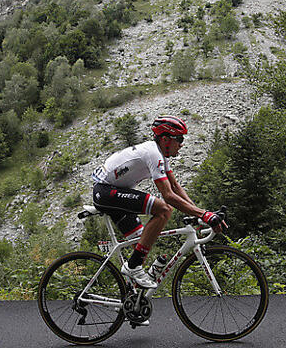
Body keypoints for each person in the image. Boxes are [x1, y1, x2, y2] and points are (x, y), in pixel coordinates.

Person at [91, 115, 227, 289]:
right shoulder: (153, 153)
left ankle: (131, 303)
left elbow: (176, 187)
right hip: (104, 191)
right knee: (164, 209)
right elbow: (168, 196)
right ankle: (133, 267)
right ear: (165, 139)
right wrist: (204, 215)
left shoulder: (160, 154)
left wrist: (201, 213)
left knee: (142, 242)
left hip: (113, 192)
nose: (182, 143)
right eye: (179, 139)